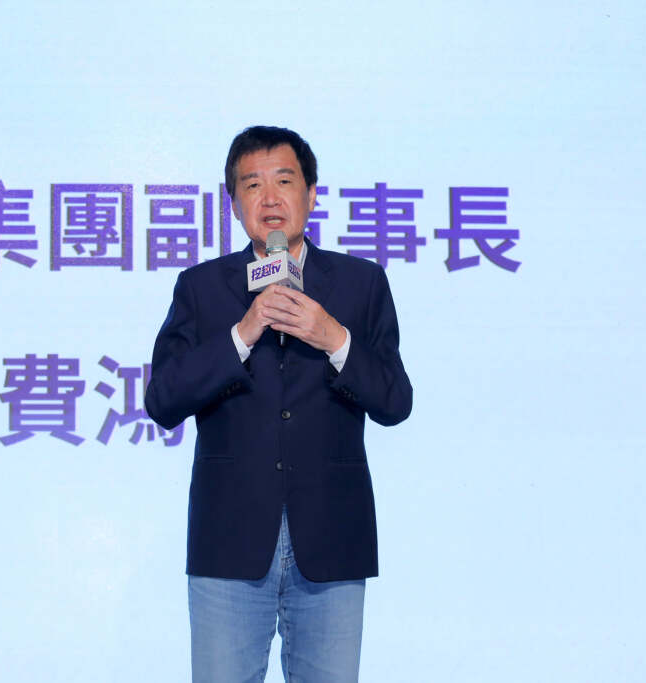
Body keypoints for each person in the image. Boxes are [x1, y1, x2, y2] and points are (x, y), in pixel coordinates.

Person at [144, 126, 412, 682]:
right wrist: (240, 335)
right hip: (229, 544)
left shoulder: (361, 284)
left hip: (333, 543)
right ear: (233, 203)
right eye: (252, 185)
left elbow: (394, 401)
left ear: (311, 195)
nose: (269, 198)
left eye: (284, 182)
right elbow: (163, 400)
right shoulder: (201, 287)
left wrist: (334, 338)